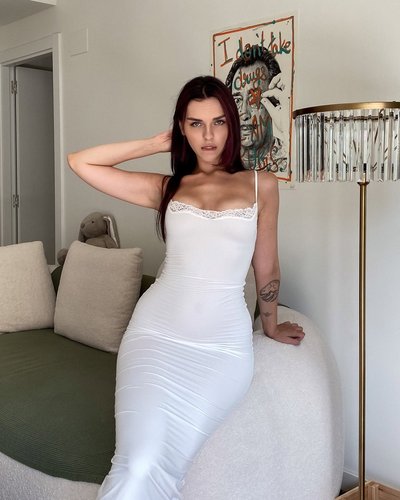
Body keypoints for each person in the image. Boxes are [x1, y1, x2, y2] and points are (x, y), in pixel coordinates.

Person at [67, 75, 304, 500]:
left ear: (232, 125)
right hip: (154, 337)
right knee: (137, 463)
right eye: (196, 124)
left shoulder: (261, 185)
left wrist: (269, 324)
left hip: (220, 349)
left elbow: (266, 266)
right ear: (182, 128)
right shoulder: (168, 187)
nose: (208, 136)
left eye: (218, 122)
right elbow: (80, 162)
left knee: (165, 465)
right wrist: (154, 144)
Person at [225, 45, 288, 173]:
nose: (244, 113)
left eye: (254, 99)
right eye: (237, 100)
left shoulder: (291, 158)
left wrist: (288, 130)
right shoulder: (218, 164)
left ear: (274, 101)